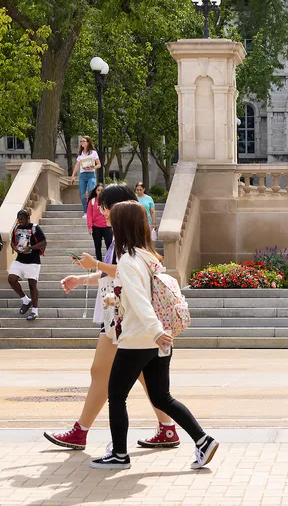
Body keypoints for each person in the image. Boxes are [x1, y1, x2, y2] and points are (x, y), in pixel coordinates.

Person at [46, 183, 180, 452]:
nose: (102, 211)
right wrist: (82, 279)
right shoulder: (125, 234)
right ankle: (168, 428)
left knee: (101, 373)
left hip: (121, 319)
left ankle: (81, 432)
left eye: (105, 206)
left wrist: (92, 265)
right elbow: (114, 274)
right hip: (118, 316)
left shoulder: (129, 236)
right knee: (141, 375)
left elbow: (123, 271)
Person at [88, 200, 218, 470]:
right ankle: (203, 441)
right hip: (159, 337)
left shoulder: (127, 260)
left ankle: (120, 455)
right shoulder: (149, 256)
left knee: (116, 395)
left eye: (112, 219)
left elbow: (140, 301)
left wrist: (155, 331)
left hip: (140, 338)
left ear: (121, 226)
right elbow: (140, 296)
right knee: (161, 397)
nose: (108, 222)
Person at [8, 208, 47, 321]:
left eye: (22, 219)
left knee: (32, 285)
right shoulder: (16, 228)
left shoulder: (34, 228)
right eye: (19, 219)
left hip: (33, 260)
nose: (20, 221)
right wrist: (15, 247)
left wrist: (31, 247)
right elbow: (12, 241)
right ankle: (25, 300)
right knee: (11, 278)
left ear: (28, 218)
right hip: (20, 259)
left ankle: (35, 311)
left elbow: (43, 242)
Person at [87, 184, 113, 259]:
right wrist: (89, 226)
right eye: (98, 190)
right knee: (97, 247)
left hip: (107, 226)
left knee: (109, 245)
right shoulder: (92, 201)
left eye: (101, 190)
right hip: (96, 227)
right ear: (95, 191)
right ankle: (99, 264)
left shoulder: (108, 201)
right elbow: (89, 214)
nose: (99, 192)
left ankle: (109, 262)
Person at [73, 136, 101, 203]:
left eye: (83, 141)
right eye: (81, 141)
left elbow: (99, 165)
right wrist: (73, 175)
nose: (82, 143)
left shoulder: (93, 153)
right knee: (82, 194)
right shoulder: (80, 154)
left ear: (88, 143)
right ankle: (85, 211)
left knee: (91, 192)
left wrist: (93, 167)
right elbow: (77, 165)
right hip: (82, 175)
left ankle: (91, 209)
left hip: (91, 174)